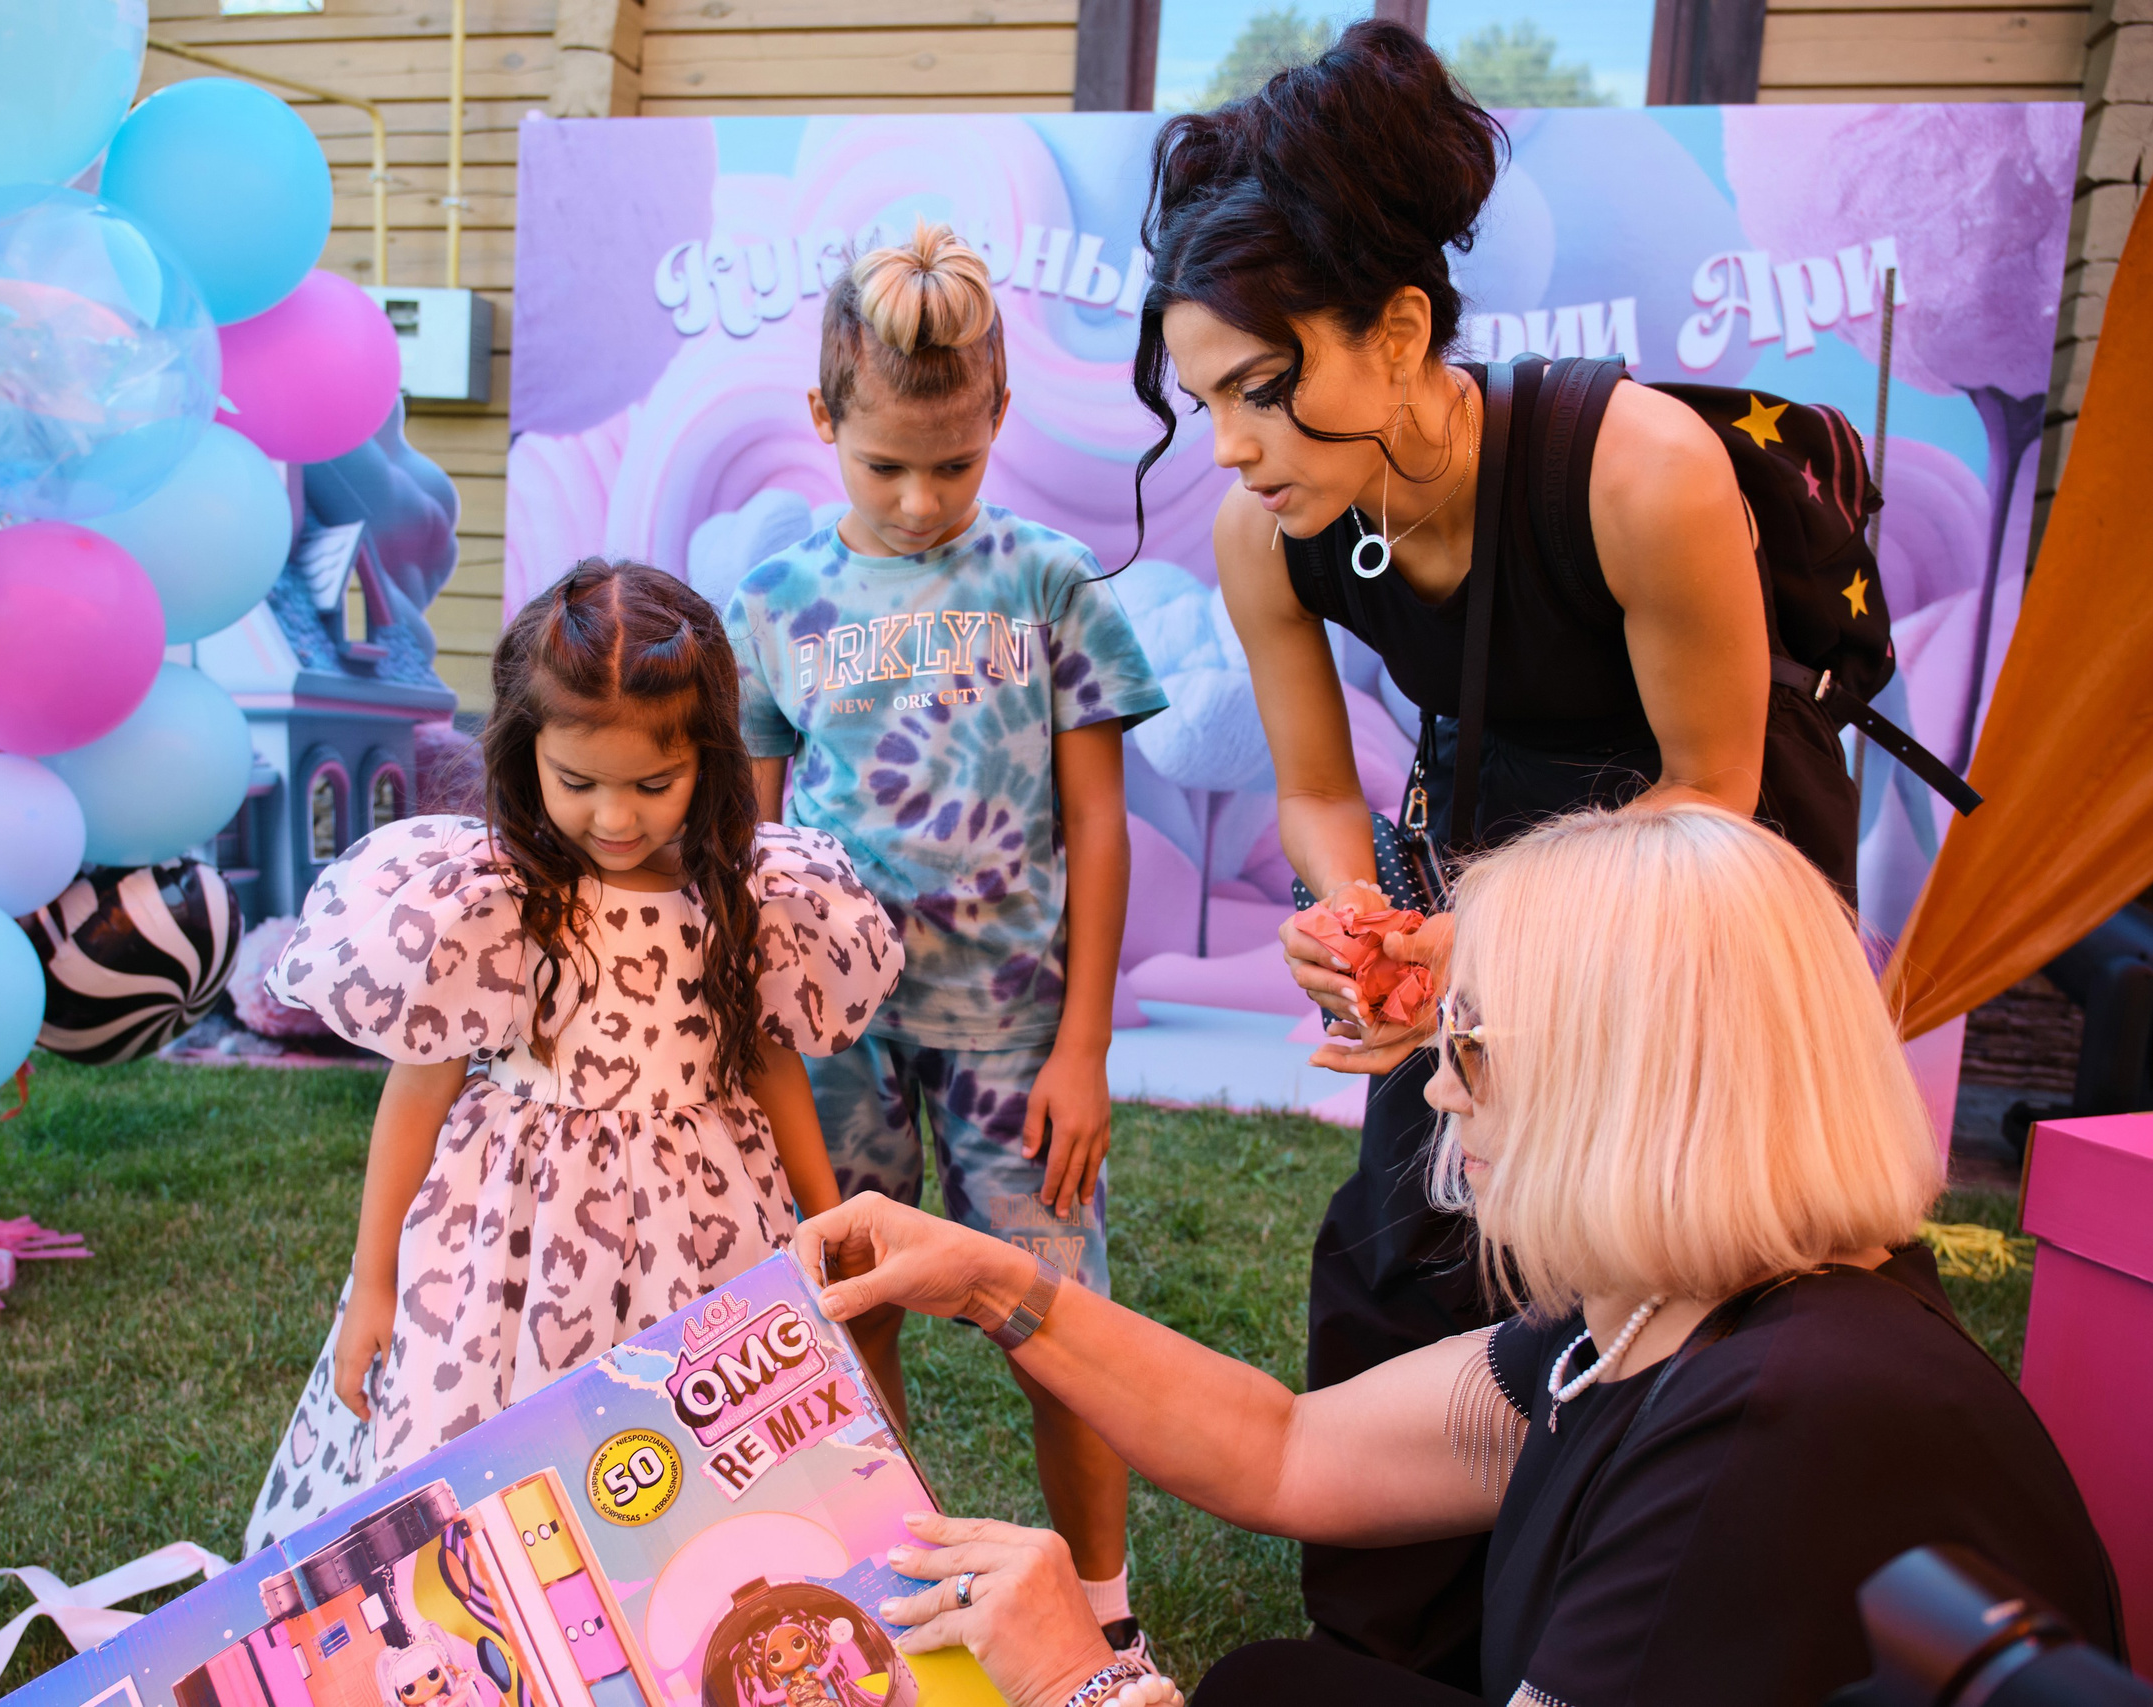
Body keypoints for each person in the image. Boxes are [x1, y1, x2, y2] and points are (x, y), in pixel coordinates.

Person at [797, 806, 2122, 1707]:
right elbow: (1285, 1447)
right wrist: (986, 1276)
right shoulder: (1681, 1314)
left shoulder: (1766, 1443)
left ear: (1631, 1087)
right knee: (1280, 1686)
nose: (1440, 1093)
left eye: (1474, 1048)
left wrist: (1082, 1676)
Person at [1131, 22, 1798, 1677]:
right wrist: (1358, 920)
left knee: (1649, 1279)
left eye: (1263, 387)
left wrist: (1488, 947)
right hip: (1479, 881)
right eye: (1204, 397)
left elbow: (1718, 787)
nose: (1228, 442)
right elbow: (1313, 790)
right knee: (1400, 1245)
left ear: (1402, 327)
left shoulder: (1641, 470)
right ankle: (1386, 1656)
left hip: (1685, 903)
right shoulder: (1262, 531)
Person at [244, 558, 902, 1551]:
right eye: (579, 782)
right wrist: (374, 1281)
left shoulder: (748, 895)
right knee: (497, 1458)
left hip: (708, 1229)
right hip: (513, 1236)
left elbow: (772, 1067)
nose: (616, 816)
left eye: (654, 782)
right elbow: (416, 1097)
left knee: (715, 1463)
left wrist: (827, 1222)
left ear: (707, 759)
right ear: (525, 754)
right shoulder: (492, 898)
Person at [724, 220, 1170, 1653]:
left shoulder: (1047, 585)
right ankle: (894, 1602)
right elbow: (753, 850)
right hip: (837, 1036)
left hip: (1015, 1033)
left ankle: (1102, 1610)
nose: (920, 498)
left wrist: (1086, 1046)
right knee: (849, 1315)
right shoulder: (778, 603)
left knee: (1059, 1328)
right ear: (823, 422)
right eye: (884, 464)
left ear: (998, 426)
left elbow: (1098, 825)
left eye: (954, 463)